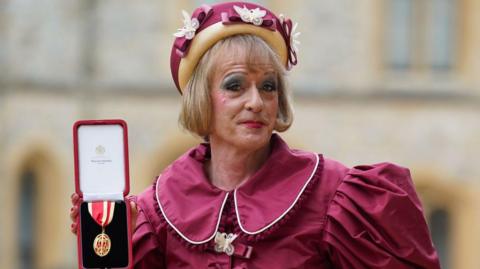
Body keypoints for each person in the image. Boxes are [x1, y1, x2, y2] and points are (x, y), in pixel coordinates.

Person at [71, 2, 441, 268]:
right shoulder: (156, 211)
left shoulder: (340, 197)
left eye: (268, 86)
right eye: (235, 86)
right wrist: (111, 249)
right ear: (202, 97)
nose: (256, 102)